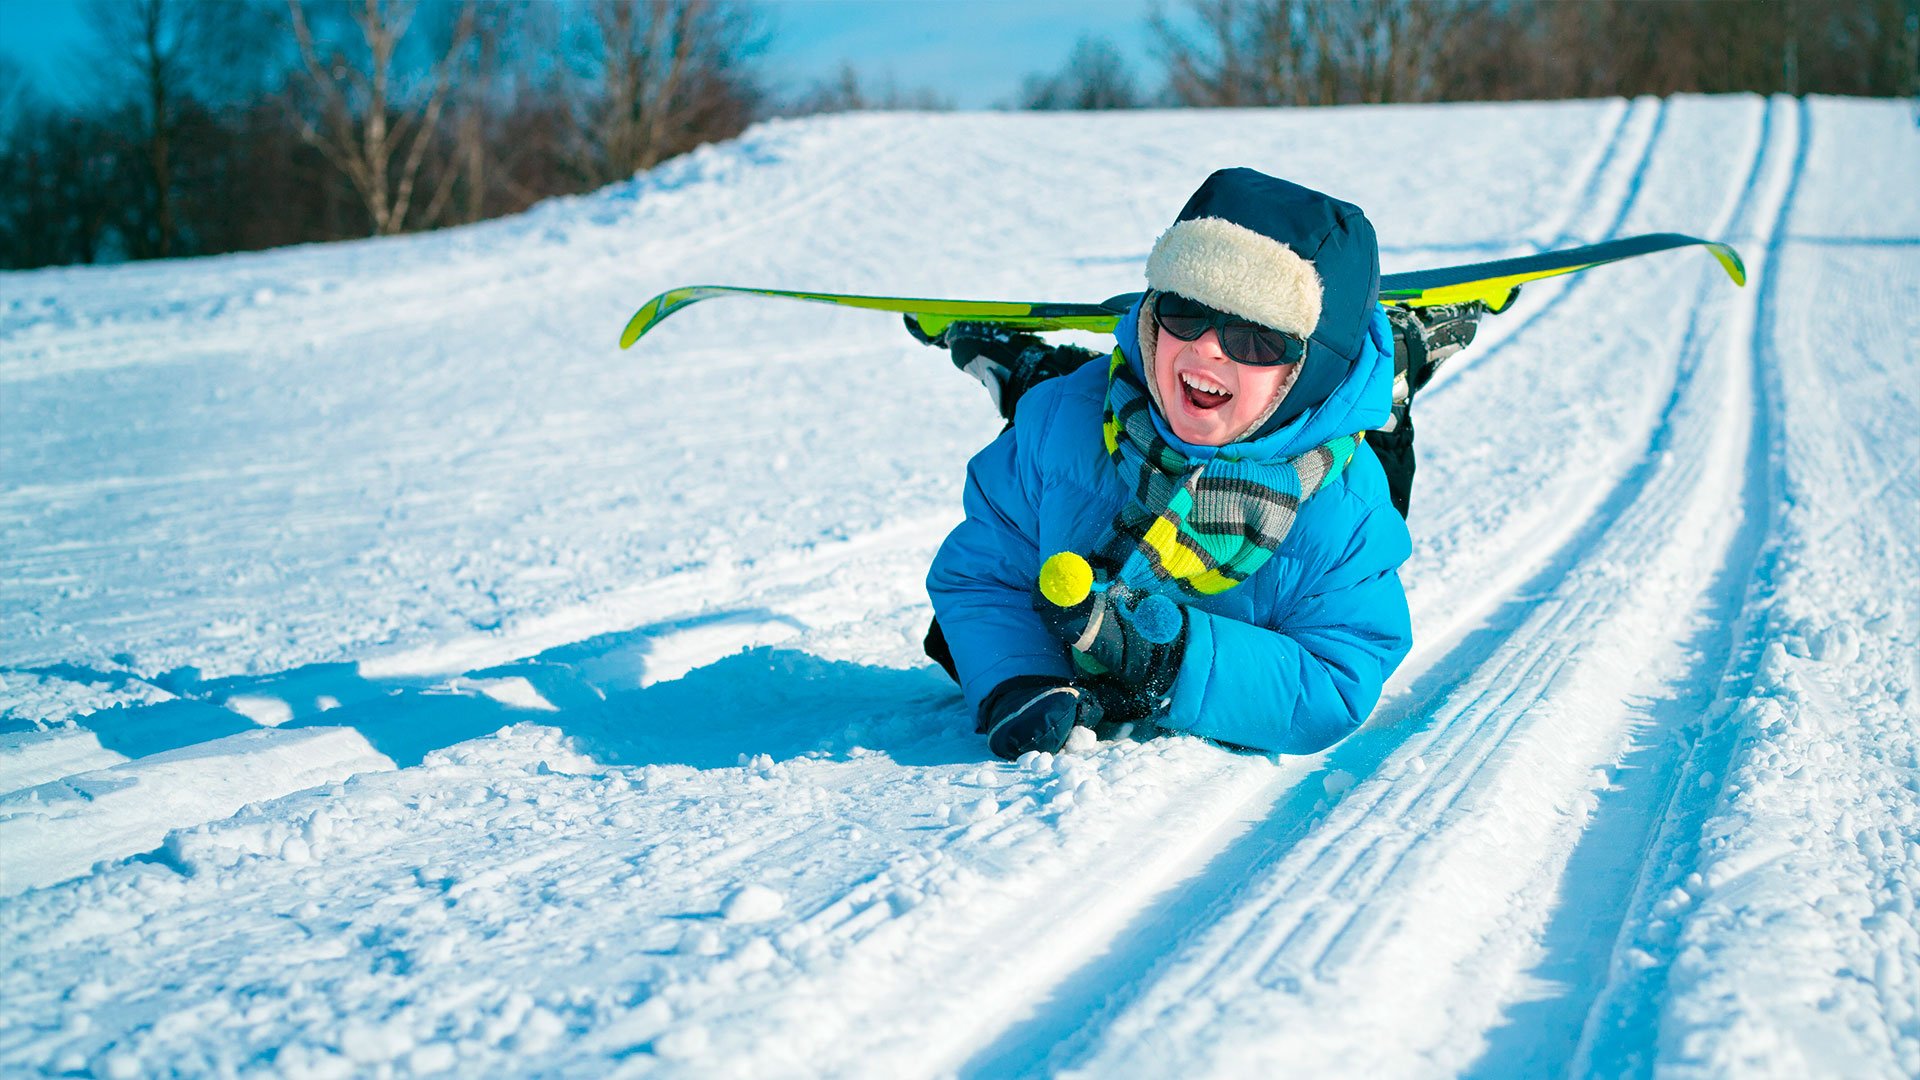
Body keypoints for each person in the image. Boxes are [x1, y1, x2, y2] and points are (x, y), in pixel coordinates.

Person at [919, 168, 1482, 760]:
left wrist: (1170, 659)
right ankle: (1028, 369)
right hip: (1086, 414)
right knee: (964, 637)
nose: (1208, 346)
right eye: (1185, 313)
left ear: (1305, 368)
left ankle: (1399, 362)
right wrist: (1020, 681)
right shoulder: (1059, 424)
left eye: (1257, 339)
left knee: (1379, 452)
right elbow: (980, 577)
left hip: (1312, 473)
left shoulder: (1350, 510)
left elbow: (1335, 679)